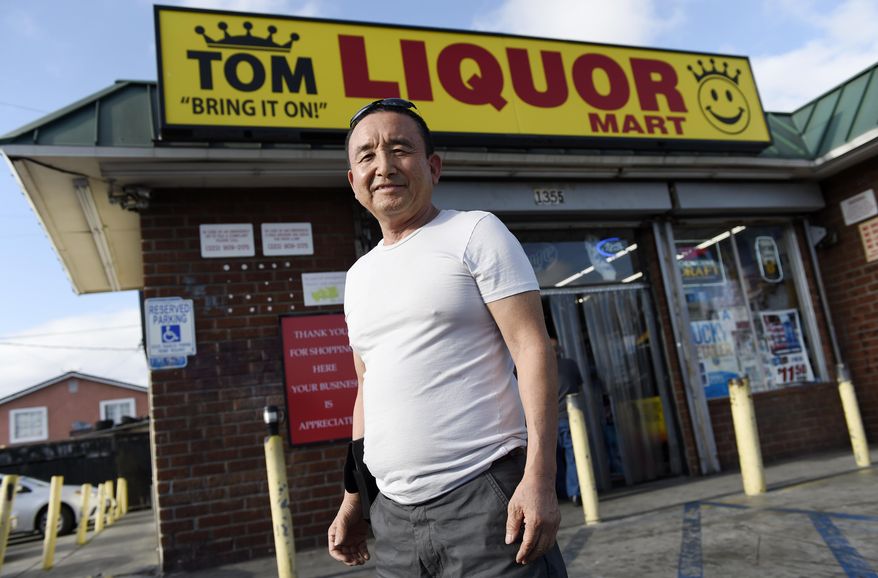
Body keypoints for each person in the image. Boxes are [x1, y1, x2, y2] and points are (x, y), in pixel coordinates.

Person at [327, 98, 567, 577]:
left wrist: (540, 475)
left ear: (433, 166)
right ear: (353, 181)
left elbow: (532, 347)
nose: (384, 166)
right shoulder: (358, 276)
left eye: (400, 149)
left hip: (485, 500)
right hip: (391, 517)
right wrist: (354, 497)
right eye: (367, 156)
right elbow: (366, 387)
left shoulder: (474, 232)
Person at [551, 337, 584, 505]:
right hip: (569, 417)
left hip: (548, 422)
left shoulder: (539, 368)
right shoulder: (569, 364)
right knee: (573, 456)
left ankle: (561, 492)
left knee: (553, 459)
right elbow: (579, 385)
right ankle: (575, 492)